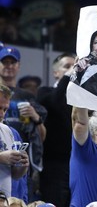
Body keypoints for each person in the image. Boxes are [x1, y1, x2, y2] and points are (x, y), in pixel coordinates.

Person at [0, 45, 47, 202]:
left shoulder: (27, 97)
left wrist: (36, 117)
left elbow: (41, 136)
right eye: (4, 62)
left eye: (5, 109)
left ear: (19, 65)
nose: (2, 113)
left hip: (15, 165)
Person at [37, 52, 75, 207]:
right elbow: (57, 102)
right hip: (54, 165)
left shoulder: (81, 98)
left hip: (76, 164)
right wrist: (67, 77)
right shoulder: (44, 92)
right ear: (55, 73)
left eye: (74, 66)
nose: (73, 69)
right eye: (67, 66)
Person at [0, 84, 29, 198]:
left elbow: (15, 175)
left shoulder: (9, 132)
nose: (2, 113)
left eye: (5, 109)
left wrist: (22, 166)